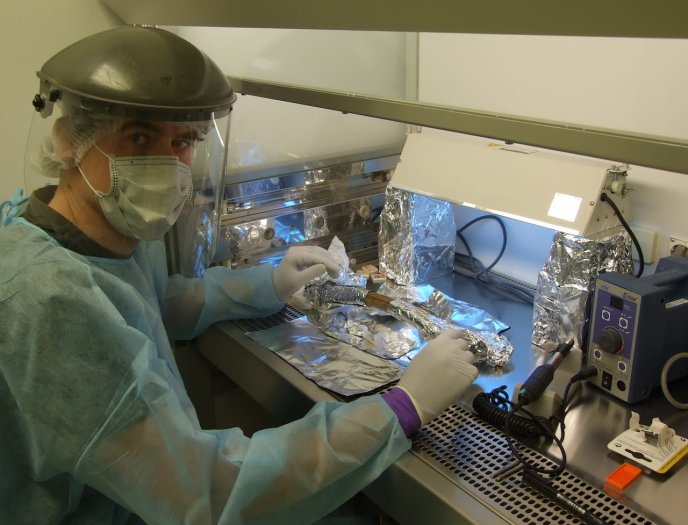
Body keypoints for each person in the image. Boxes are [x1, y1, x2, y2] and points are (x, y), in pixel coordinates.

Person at [0, 26, 478, 525]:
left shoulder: (94, 235)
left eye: (184, 140)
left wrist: (270, 284)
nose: (169, 163)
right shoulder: (46, 305)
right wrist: (401, 408)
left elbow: (159, 304)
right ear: (67, 142)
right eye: (139, 138)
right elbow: (208, 491)